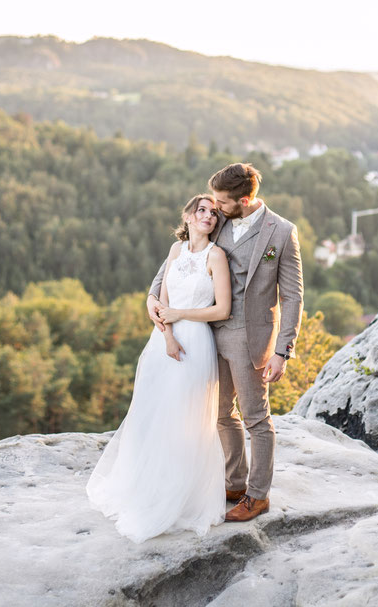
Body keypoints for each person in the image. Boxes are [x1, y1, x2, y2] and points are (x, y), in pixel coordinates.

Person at [147, 163, 303, 523]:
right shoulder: (215, 223)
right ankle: (234, 483)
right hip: (203, 334)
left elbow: (293, 296)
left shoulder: (281, 232)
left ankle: (258, 495)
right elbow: (174, 266)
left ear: (244, 200)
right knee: (219, 413)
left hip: (251, 338)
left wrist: (283, 350)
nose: (213, 208)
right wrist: (154, 300)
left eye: (220, 201)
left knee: (256, 418)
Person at [87, 195, 232, 543]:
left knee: (184, 418)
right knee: (153, 414)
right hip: (163, 341)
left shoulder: (216, 256)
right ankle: (148, 489)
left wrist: (181, 317)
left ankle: (181, 499)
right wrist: (166, 336)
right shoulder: (175, 251)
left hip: (196, 342)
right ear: (187, 215)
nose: (208, 217)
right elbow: (162, 300)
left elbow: (222, 310)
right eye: (202, 210)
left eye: (214, 213)